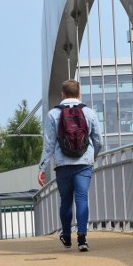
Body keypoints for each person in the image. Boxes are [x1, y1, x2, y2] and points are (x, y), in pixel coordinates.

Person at [38, 79, 102, 251]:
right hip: (84, 163)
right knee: (82, 199)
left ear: (63, 94)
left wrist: (42, 168)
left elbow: (49, 145)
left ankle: (66, 236)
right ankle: (82, 239)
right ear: (79, 94)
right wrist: (92, 157)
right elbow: (98, 141)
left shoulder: (53, 114)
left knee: (65, 201)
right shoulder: (89, 112)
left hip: (62, 164)